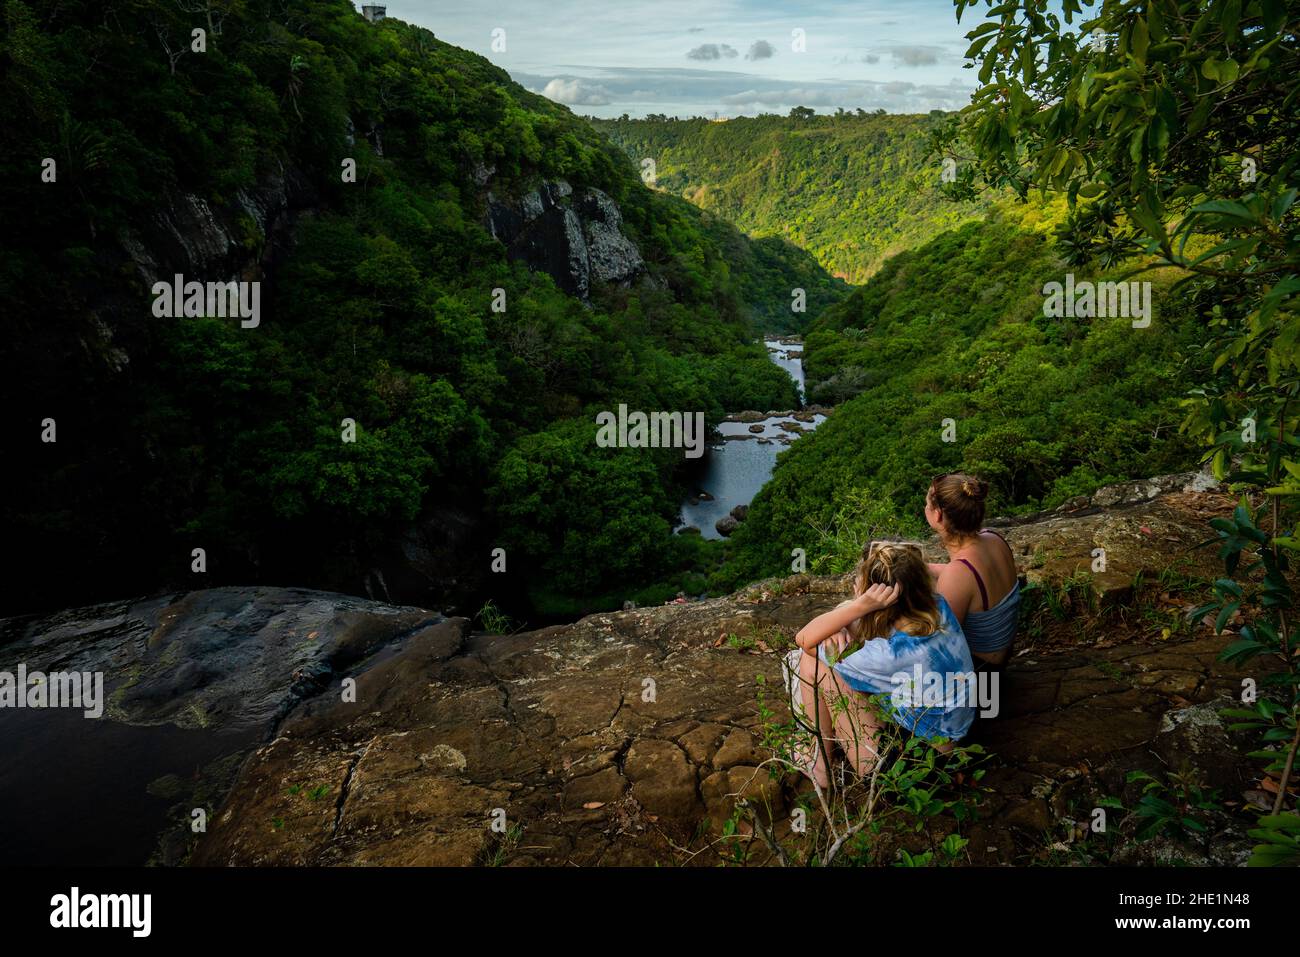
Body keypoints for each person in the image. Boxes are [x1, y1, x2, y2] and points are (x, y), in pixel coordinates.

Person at [787, 541, 976, 788]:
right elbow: (903, 560)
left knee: (813, 664)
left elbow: (805, 639)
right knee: (840, 640)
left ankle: (819, 762)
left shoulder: (890, 655)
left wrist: (858, 606)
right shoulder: (938, 606)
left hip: (911, 771)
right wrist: (852, 614)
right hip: (953, 737)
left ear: (880, 599)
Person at [924, 473, 1021, 669]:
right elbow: (975, 581)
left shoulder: (957, 573)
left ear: (938, 515)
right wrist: (926, 569)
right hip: (999, 657)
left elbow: (940, 646)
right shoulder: (994, 539)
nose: (925, 508)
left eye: (927, 504)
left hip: (980, 673)